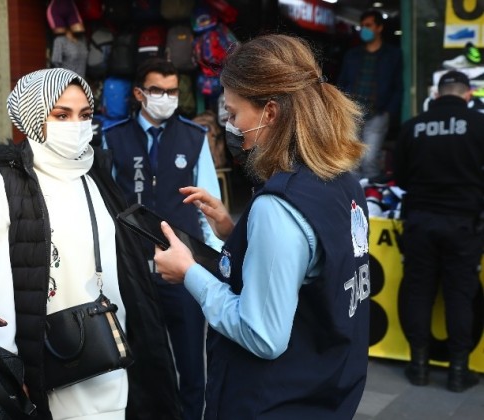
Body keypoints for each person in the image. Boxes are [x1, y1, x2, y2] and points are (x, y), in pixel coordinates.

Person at [154, 34, 371, 419]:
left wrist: (189, 272)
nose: (231, 128)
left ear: (270, 112)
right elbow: (312, 267)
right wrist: (231, 231)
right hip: (327, 393)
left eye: (235, 114)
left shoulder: (279, 206)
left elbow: (262, 334)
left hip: (271, 401)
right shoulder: (343, 182)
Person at [0, 68, 181, 420]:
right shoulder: (4, 188)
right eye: (61, 115)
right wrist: (10, 377)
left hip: (117, 362)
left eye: (85, 115)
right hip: (53, 372)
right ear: (34, 118)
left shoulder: (96, 177)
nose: (76, 125)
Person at [102, 57, 221, 420]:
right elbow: (104, 204)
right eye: (158, 91)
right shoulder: (112, 137)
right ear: (139, 93)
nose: (166, 97)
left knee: (191, 363)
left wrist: (213, 262)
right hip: (132, 270)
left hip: (184, 270)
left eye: (172, 91)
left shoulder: (193, 136)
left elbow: (209, 205)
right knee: (138, 359)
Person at [394, 70, 484, 392]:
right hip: (464, 224)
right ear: (467, 95)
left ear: (436, 94)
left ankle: (418, 367)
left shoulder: (412, 127)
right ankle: (459, 372)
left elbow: (400, 179)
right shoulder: (478, 125)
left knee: (419, 291)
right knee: (460, 294)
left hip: (420, 221)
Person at [337, 9, 403, 179]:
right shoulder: (352, 55)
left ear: (379, 28)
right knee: (351, 161)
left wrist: (389, 112)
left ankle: (372, 199)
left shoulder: (393, 55)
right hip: (352, 113)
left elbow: (398, 86)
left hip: (377, 114)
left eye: (368, 25)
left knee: (370, 159)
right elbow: (342, 82)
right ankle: (354, 200)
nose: (364, 29)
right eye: (362, 26)